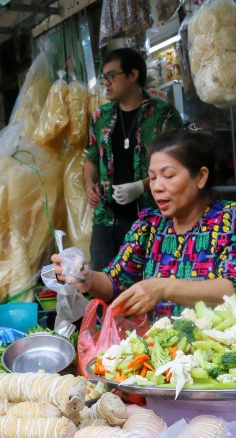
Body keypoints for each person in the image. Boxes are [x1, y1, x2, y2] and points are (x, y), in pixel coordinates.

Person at [54, 129, 236, 316]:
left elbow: (235, 288)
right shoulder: (150, 225)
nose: (157, 187)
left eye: (168, 176)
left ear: (201, 177)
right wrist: (86, 277)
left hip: (234, 342)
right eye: (153, 178)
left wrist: (162, 288)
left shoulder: (235, 218)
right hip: (170, 347)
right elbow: (114, 282)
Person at [85, 48, 183, 271]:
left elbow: (177, 165)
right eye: (104, 77)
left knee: (150, 282)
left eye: (112, 76)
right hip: (106, 220)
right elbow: (90, 158)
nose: (106, 83)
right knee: (101, 281)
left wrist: (141, 186)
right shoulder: (100, 116)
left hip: (152, 219)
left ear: (133, 75)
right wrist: (89, 185)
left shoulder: (164, 114)